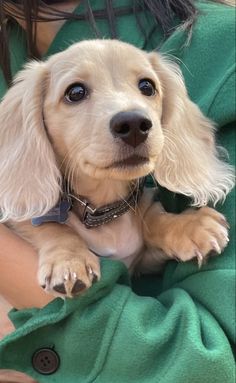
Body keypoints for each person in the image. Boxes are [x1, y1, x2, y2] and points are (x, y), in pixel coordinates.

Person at [0, 1, 235, 382]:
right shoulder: (25, 93)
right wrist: (59, 244)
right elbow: (21, 214)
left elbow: (208, 365)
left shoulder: (221, 46)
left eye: (146, 88)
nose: (132, 116)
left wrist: (166, 228)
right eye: (76, 93)